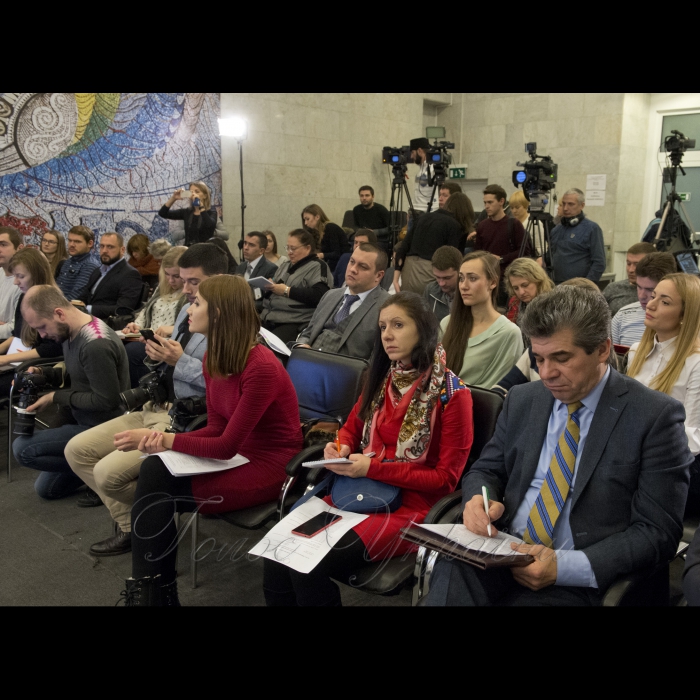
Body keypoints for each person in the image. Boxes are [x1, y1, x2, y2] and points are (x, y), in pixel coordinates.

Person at [425, 285, 693, 606]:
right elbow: (486, 470)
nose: (547, 373)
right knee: (453, 571)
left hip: (575, 572)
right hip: (503, 548)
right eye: (538, 358)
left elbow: (657, 532)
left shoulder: (653, 417)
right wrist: (480, 500)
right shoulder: (524, 400)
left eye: (561, 358)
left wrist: (563, 568)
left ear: (602, 349)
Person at [263, 291, 474, 607]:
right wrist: (340, 447)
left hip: (412, 507)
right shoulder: (383, 378)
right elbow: (350, 428)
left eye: (398, 325)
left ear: (424, 330)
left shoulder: (453, 395)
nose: (387, 334)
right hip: (360, 488)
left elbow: (445, 480)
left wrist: (371, 467)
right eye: (383, 326)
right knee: (275, 551)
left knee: (304, 561)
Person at [120, 275, 303, 605]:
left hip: (274, 463)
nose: (189, 307)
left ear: (218, 313)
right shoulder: (213, 357)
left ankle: (151, 595)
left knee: (157, 485)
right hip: (239, 452)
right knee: (155, 471)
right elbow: (217, 428)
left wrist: (163, 439)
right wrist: (164, 441)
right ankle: (152, 593)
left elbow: (224, 445)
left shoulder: (261, 366)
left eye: (197, 302)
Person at [64, 244, 223, 557]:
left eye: (195, 282)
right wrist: (157, 354)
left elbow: (228, 386)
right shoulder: (186, 309)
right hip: (157, 404)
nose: (187, 290)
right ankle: (134, 525)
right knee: (77, 451)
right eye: (183, 280)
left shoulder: (233, 322)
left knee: (107, 475)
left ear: (218, 279)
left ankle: (151, 520)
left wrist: (180, 361)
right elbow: (167, 364)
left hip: (188, 418)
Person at [12, 285, 130, 500]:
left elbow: (107, 401)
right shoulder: (72, 331)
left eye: (42, 327)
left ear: (59, 313)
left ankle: (104, 467)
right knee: (46, 490)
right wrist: (45, 373)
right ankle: (95, 469)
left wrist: (55, 397)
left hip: (104, 428)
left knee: (22, 448)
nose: (42, 335)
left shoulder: (95, 345)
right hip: (84, 421)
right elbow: (78, 374)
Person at [627, 272, 700, 518]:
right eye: (653, 295)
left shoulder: (695, 363)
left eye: (665, 302)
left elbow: (692, 437)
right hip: (632, 458)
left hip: (676, 466)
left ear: (684, 316)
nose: (651, 304)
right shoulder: (636, 351)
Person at [441, 251, 523, 388]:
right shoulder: (447, 323)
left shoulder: (508, 333)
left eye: (472, 278)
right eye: (461, 278)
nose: (463, 286)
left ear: (492, 282)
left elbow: (501, 390)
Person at [294, 243, 389, 359]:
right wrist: (301, 345)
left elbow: (378, 359)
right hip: (307, 362)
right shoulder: (330, 295)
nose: (353, 269)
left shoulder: (387, 307)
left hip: (346, 372)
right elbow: (308, 332)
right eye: (352, 262)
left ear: (378, 276)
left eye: (363, 267)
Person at [121, 245, 188, 387]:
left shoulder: (190, 291)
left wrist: (173, 328)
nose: (170, 280)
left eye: (176, 276)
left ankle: (140, 397)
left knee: (132, 352)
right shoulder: (162, 286)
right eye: (167, 274)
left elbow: (191, 324)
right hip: (149, 335)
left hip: (169, 341)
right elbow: (146, 311)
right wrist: (136, 325)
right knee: (116, 346)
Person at [0, 249, 62, 394]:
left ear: (36, 275)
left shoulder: (50, 302)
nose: (15, 282)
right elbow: (17, 335)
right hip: (19, 358)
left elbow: (51, 349)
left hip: (33, 367)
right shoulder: (24, 297)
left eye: (20, 276)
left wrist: (5, 359)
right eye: (15, 276)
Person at [260, 229, 333, 344]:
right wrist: (270, 286)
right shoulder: (285, 265)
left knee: (264, 348)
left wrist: (286, 290)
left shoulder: (318, 266)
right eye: (287, 248)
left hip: (294, 321)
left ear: (307, 248)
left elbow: (320, 296)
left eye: (293, 248)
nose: (289, 252)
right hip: (269, 316)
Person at [394, 192, 473, 295]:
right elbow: (453, 258)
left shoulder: (423, 217)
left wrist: (396, 276)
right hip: (431, 272)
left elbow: (403, 246)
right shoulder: (455, 226)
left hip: (408, 270)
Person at [473, 184, 531, 292]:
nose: (486, 206)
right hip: (486, 277)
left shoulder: (514, 224)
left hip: (507, 278)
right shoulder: (482, 225)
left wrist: (501, 259)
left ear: (501, 201)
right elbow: (477, 252)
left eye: (490, 202)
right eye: (485, 202)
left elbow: (524, 252)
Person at [611, 252, 677, 347]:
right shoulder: (622, 316)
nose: (641, 296)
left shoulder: (685, 321)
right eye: (639, 287)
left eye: (650, 290)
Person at [75, 232, 143, 321]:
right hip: (86, 319)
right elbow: (84, 296)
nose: (104, 251)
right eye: (102, 246)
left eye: (110, 247)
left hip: (107, 324)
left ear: (122, 250)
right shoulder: (97, 271)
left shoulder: (130, 274)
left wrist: (88, 309)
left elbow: (123, 309)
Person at [548, 188, 606, 284]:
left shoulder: (592, 229)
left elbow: (599, 263)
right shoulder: (556, 230)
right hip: (556, 286)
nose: (565, 208)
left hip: (579, 288)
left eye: (571, 204)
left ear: (582, 205)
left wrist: (586, 287)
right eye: (564, 203)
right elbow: (549, 257)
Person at [603, 242, 656, 317]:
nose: (631, 270)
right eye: (628, 264)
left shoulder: (659, 292)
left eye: (637, 265)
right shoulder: (613, 288)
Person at [158, 181, 218, 246]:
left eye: (197, 192)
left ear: (205, 196)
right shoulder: (187, 212)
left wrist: (201, 206)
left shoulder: (211, 211)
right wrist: (174, 198)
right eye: (191, 192)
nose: (193, 194)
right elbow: (162, 213)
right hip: (189, 251)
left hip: (204, 252)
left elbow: (210, 226)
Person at [235, 231, 278, 312]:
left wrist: (245, 305)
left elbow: (269, 301)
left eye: (251, 245)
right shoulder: (240, 267)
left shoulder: (271, 269)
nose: (246, 247)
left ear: (261, 251)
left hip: (256, 314)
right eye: (245, 243)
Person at [504, 256, 554, 325]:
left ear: (538, 280)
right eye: (516, 288)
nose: (521, 292)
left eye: (525, 285)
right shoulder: (515, 301)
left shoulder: (553, 304)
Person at [301, 204, 350, 273]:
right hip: (329, 264)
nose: (305, 223)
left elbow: (337, 253)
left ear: (317, 217)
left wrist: (321, 255)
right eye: (304, 220)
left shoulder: (330, 228)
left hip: (340, 265)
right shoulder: (314, 231)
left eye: (307, 219)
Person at [55, 225, 98, 301]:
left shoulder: (90, 265)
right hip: (57, 303)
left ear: (90, 243)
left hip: (68, 308)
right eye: (70, 240)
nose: (71, 245)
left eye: (77, 242)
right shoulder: (67, 262)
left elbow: (76, 296)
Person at [423, 245, 462, 323]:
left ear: (460, 271)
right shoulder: (430, 290)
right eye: (437, 277)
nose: (441, 283)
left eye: (447, 278)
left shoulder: (470, 293)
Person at [0, 226, 24, 340]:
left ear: (19, 248)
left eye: (3, 245)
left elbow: (14, 329)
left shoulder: (24, 282)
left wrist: (6, 326)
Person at [352, 186, 390, 251]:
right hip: (362, 238)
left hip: (379, 239)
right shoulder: (356, 209)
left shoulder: (381, 210)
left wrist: (374, 232)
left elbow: (390, 228)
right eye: (362, 196)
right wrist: (363, 231)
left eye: (367, 195)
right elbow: (355, 226)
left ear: (373, 197)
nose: (364, 198)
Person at [409, 137, 438, 213]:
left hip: (427, 211)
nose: (411, 156)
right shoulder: (420, 170)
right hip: (415, 210)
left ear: (419, 151)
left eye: (412, 152)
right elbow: (417, 193)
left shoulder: (433, 169)